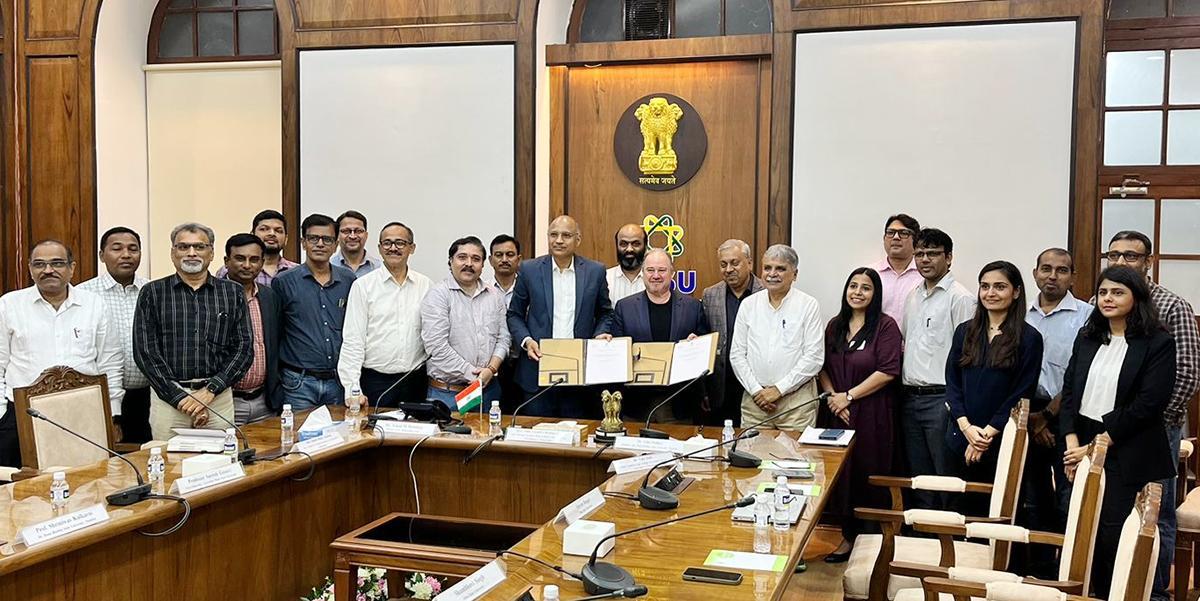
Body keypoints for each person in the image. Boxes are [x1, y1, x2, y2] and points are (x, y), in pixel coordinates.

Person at [1060, 265, 1176, 599]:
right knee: (1082, 532)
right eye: (1104, 292)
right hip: (1081, 443)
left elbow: (1149, 403)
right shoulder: (1088, 336)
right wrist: (1072, 446)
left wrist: (1098, 447)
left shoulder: (1158, 342)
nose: (1108, 299)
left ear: (1136, 297)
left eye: (1118, 292)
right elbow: (1069, 394)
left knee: (1114, 538)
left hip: (1127, 449)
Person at [1104, 230, 1199, 600]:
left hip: (1156, 430)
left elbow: (1188, 372)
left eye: (1130, 256)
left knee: (1154, 515)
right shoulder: (1106, 303)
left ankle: (1154, 592)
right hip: (1112, 428)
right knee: (1112, 512)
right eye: (1113, 256)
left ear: (1148, 262)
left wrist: (1146, 421)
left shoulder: (1171, 306)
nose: (1121, 263)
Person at [0, 241, 124, 467]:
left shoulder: (94, 305)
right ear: (30, 268)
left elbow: (110, 361)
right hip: (21, 414)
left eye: (57, 263)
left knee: (84, 482)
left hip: (84, 412)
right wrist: (1, 413)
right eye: (39, 264)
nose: (48, 270)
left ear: (72, 268)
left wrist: (112, 413)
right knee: (19, 489)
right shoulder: (10, 304)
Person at [134, 223, 252, 440]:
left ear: (211, 252)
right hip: (168, 400)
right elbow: (145, 352)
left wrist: (210, 391)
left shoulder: (232, 292)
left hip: (218, 397)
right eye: (183, 247)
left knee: (221, 466)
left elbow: (243, 349)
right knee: (169, 467)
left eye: (199, 247)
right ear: (172, 253)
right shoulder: (153, 292)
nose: (191, 253)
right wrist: (179, 397)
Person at [817, 267, 902, 563]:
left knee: (868, 473)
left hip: (871, 413)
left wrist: (849, 396)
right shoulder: (834, 325)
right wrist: (833, 399)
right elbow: (822, 366)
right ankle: (847, 537)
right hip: (836, 413)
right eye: (852, 286)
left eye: (865, 288)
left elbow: (888, 370)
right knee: (842, 477)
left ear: (875, 294)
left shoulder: (886, 326)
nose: (857, 292)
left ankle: (873, 543)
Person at [945, 261, 1043, 517]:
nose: (991, 293)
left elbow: (1021, 393)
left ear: (1016, 292)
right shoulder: (964, 331)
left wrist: (985, 436)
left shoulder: (1029, 338)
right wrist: (967, 429)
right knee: (959, 509)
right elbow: (953, 383)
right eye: (985, 286)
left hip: (1002, 439)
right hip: (960, 435)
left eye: (1000, 287)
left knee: (998, 512)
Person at [507, 215, 613, 418]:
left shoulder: (595, 271)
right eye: (553, 235)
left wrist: (600, 334)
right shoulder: (529, 270)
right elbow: (514, 314)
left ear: (578, 240)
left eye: (566, 235)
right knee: (536, 442)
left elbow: (605, 312)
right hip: (537, 371)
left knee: (576, 442)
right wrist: (526, 341)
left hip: (579, 375)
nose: (559, 240)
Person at [900, 228, 975, 509]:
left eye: (932, 254)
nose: (924, 260)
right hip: (910, 397)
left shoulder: (961, 298)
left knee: (946, 476)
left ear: (949, 257)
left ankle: (949, 545)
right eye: (919, 254)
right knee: (919, 476)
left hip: (941, 400)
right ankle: (924, 542)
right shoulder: (913, 296)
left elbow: (967, 357)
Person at [1024, 248, 1093, 537]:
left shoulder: (1088, 316)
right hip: (1026, 413)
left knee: (1070, 492)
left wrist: (1047, 416)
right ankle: (1037, 567)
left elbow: (1081, 374)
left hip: (1069, 413)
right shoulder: (1022, 315)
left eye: (1062, 270)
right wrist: (1032, 417)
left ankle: (1066, 568)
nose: (1052, 276)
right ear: (1035, 273)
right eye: (1046, 269)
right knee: (1031, 493)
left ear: (1073, 277)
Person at [729, 244, 823, 431]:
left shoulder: (808, 305)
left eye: (780, 268)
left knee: (795, 458)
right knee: (752, 457)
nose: (772, 274)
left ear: (794, 275)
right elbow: (737, 355)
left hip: (795, 404)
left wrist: (779, 389)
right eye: (767, 268)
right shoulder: (749, 305)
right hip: (755, 402)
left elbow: (814, 357)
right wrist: (758, 392)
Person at [339, 222, 432, 408]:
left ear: (411, 248)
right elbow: (353, 340)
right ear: (380, 249)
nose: (393, 248)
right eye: (387, 243)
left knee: (415, 435)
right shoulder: (363, 286)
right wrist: (352, 388)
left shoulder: (426, 285)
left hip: (415, 380)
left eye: (400, 243)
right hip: (375, 382)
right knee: (374, 435)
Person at [611, 249, 710, 423]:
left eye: (662, 270)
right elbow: (616, 357)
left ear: (672, 273)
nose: (656, 275)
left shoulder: (693, 307)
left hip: (679, 403)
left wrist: (698, 345)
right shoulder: (624, 307)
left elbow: (706, 356)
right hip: (636, 405)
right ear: (643, 273)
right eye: (650, 270)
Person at [272, 214, 356, 410]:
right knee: (298, 438)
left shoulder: (349, 280)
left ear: (335, 245)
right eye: (313, 238)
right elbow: (276, 332)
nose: (320, 244)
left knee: (341, 439)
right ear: (303, 242)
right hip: (298, 382)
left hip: (338, 381)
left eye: (327, 239)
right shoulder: (284, 281)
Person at [79, 227, 151, 443]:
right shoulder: (84, 295)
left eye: (133, 249)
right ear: (102, 255)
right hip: (101, 396)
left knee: (148, 456)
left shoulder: (152, 290)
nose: (126, 255)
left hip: (148, 395)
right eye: (117, 248)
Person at [420, 236, 509, 410]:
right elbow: (436, 346)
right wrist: (474, 374)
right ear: (450, 261)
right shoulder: (438, 295)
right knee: (448, 437)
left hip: (489, 392)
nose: (469, 263)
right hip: (448, 394)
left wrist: (490, 369)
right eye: (462, 257)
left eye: (476, 259)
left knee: (490, 435)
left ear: (483, 265)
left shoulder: (494, 295)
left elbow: (503, 338)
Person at [701, 239, 764, 427]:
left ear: (749, 263)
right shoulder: (710, 295)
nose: (728, 269)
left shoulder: (766, 292)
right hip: (721, 387)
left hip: (756, 388)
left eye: (734, 263)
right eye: (723, 264)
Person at [222, 233, 282, 425]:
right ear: (226, 261)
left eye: (254, 259)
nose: (247, 265)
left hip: (265, 401)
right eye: (240, 258)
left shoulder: (269, 296)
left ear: (262, 262)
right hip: (226, 401)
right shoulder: (213, 297)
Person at [216, 210, 298, 286]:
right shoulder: (229, 270)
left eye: (278, 230)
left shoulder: (296, 271)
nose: (272, 234)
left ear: (286, 239)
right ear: (252, 234)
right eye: (264, 229)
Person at [489, 234, 522, 411]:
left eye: (509, 255)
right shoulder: (482, 290)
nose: (504, 259)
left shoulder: (529, 288)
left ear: (519, 259)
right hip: (492, 365)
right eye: (498, 255)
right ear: (490, 260)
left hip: (523, 362)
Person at [872, 214, 923, 324]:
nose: (895, 237)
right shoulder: (870, 274)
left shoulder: (925, 275)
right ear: (884, 238)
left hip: (913, 340)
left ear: (916, 240)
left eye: (903, 233)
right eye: (890, 232)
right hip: (878, 341)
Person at [606, 224, 647, 304]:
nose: (629, 249)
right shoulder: (605, 278)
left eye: (636, 244)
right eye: (624, 244)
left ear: (645, 246)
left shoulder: (653, 279)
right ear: (617, 246)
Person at [332, 210, 380, 276]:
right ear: (337, 235)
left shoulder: (379, 268)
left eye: (358, 231)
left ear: (366, 235)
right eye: (346, 231)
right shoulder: (329, 267)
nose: (352, 236)